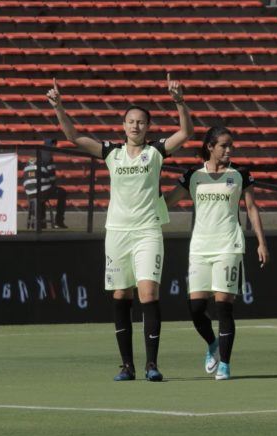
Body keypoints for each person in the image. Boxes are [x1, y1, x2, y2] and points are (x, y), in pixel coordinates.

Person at [47, 74, 193, 382]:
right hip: (117, 233)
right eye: (131, 121)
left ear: (148, 127)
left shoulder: (156, 151)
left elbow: (186, 132)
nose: (136, 126)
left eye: (141, 122)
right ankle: (127, 366)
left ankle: (152, 365)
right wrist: (59, 107)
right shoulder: (111, 152)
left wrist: (179, 101)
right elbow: (74, 137)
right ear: (123, 125)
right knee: (120, 295)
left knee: (148, 293)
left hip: (148, 231)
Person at [165, 126, 269, 380]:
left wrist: (261, 242)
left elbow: (252, 209)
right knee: (196, 307)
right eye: (224, 145)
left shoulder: (240, 174)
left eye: (231, 145)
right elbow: (167, 202)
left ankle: (225, 364)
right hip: (200, 248)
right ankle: (212, 344)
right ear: (210, 147)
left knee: (224, 307)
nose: (229, 150)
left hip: (228, 246)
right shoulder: (193, 175)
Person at [22, 152, 68, 229]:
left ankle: (38, 222)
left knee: (41, 193)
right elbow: (52, 179)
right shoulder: (48, 158)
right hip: (42, 191)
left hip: (29, 192)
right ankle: (59, 222)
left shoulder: (29, 161)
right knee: (62, 192)